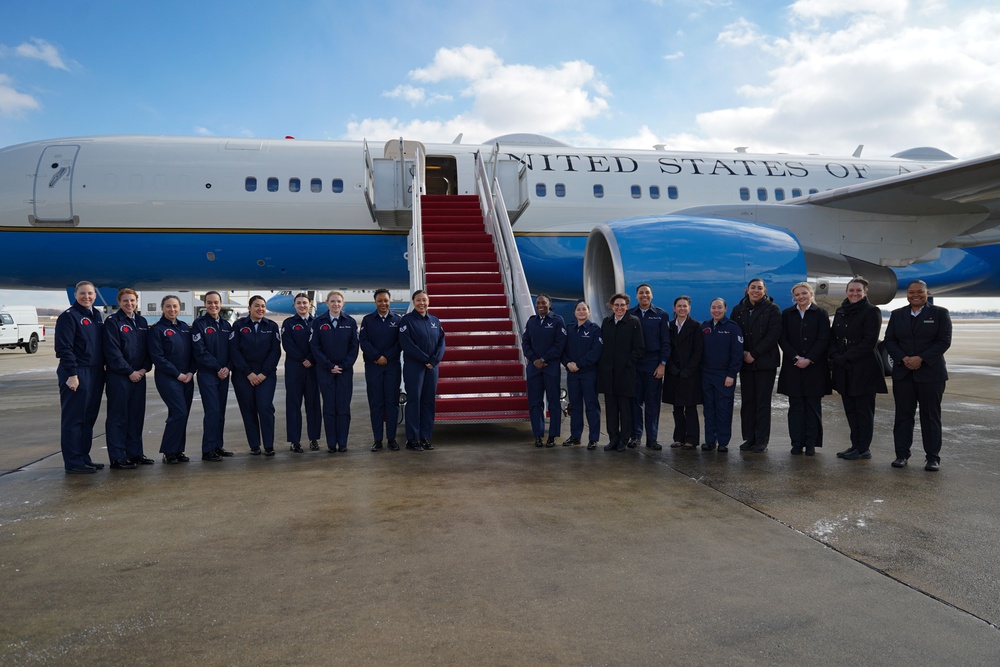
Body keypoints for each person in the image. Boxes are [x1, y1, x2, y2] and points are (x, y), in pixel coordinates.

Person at [883, 280, 952, 471]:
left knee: (930, 416)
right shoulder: (897, 315)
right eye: (912, 292)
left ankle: (932, 458)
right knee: (903, 416)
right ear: (907, 294)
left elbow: (944, 341)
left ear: (927, 292)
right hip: (904, 373)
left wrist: (921, 358)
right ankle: (901, 455)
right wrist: (904, 358)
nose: (916, 295)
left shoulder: (939, 313)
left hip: (931, 373)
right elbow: (890, 340)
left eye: (920, 292)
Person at [829, 277, 887, 461]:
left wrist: (845, 358)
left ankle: (864, 449)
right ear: (846, 292)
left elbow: (869, 341)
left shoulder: (871, 311)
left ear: (865, 293)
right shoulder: (841, 310)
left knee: (864, 410)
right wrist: (835, 356)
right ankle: (855, 445)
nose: (854, 294)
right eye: (851, 290)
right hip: (844, 368)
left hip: (864, 368)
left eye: (858, 291)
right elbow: (833, 338)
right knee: (850, 409)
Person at [55, 280, 106, 474]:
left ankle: (84, 457)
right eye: (83, 293)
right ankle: (73, 462)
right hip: (77, 371)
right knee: (73, 419)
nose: (87, 297)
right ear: (75, 295)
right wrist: (72, 374)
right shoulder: (69, 317)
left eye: (90, 293)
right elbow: (63, 348)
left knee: (88, 418)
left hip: (95, 371)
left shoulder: (96, 315)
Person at [777, 283, 831, 456]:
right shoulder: (787, 314)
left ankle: (811, 444)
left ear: (811, 293)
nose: (801, 297)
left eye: (804, 293)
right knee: (796, 407)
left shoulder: (821, 313)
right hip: (793, 367)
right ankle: (796, 443)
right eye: (797, 295)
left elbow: (824, 338)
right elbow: (782, 338)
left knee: (813, 407)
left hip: (814, 367)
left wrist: (810, 359)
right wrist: (795, 357)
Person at [103, 288, 152, 469]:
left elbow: (147, 349)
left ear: (136, 302)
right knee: (118, 417)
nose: (129, 304)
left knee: (136, 416)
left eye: (132, 301)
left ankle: (135, 454)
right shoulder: (113, 322)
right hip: (119, 377)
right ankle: (117, 457)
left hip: (139, 376)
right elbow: (112, 351)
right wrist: (129, 371)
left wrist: (143, 369)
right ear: (119, 302)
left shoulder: (141, 321)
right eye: (125, 301)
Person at [732, 278, 782, 453]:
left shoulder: (772, 309)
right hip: (745, 363)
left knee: (762, 402)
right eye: (753, 288)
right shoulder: (738, 310)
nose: (756, 291)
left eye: (759, 288)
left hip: (764, 363)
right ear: (747, 290)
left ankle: (761, 440)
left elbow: (773, 335)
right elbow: (734, 334)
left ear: (765, 290)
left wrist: (754, 353)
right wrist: (744, 352)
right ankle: (749, 437)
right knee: (748, 402)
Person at [230, 295, 281, 456]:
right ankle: (254, 445)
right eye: (257, 306)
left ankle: (268, 445)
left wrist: (264, 373)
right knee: (248, 409)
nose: (260, 309)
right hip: (243, 374)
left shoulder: (272, 326)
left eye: (263, 306)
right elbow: (234, 350)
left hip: (266, 374)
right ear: (249, 308)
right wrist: (248, 373)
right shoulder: (238, 326)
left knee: (265, 407)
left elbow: (275, 351)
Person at [310, 290, 359, 453]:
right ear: (327, 303)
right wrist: (328, 365)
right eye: (332, 301)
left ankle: (343, 442)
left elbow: (354, 347)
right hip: (325, 371)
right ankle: (331, 443)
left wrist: (344, 365)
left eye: (338, 301)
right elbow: (315, 347)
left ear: (342, 303)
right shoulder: (318, 322)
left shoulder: (350, 322)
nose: (336, 304)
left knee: (343, 407)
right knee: (329, 407)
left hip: (345, 371)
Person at [148, 294, 196, 464]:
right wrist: (177, 374)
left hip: (187, 377)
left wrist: (191, 372)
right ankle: (169, 451)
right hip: (168, 378)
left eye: (175, 306)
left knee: (183, 414)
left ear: (180, 308)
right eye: (168, 306)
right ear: (162, 308)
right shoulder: (156, 330)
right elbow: (158, 357)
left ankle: (177, 450)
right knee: (179, 412)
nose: (172, 309)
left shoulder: (184, 328)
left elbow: (192, 353)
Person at [399, 290, 446, 451]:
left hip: (432, 367)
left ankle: (425, 436)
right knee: (414, 401)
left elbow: (441, 342)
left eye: (424, 300)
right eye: (418, 300)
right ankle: (412, 439)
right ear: (413, 301)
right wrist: (425, 359)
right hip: (414, 367)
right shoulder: (407, 321)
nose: (421, 303)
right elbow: (406, 344)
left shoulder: (434, 320)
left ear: (428, 302)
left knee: (428, 401)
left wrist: (434, 360)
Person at [597, 293, 645, 452]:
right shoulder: (607, 322)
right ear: (611, 306)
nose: (619, 308)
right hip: (608, 374)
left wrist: (627, 363)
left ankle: (624, 439)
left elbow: (639, 348)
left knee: (625, 409)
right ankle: (613, 439)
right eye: (616, 305)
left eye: (622, 305)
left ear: (627, 306)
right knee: (611, 409)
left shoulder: (633, 322)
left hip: (625, 374)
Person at [191, 291, 235, 462]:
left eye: (216, 302)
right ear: (205, 304)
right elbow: (199, 352)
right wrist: (218, 367)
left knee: (221, 412)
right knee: (212, 411)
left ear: (220, 303)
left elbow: (233, 350)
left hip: (224, 374)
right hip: (208, 374)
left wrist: (228, 368)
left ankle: (217, 445)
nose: (213, 306)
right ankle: (208, 449)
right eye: (209, 302)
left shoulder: (226, 325)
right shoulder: (199, 324)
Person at [359, 289, 403, 452]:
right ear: (375, 302)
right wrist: (377, 357)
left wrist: (387, 357)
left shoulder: (397, 320)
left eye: (385, 300)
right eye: (380, 301)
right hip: (373, 367)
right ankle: (377, 440)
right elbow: (363, 342)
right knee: (376, 403)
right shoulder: (368, 320)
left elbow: (400, 342)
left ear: (390, 301)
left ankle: (391, 438)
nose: (383, 304)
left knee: (392, 403)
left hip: (392, 367)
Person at [522, 294, 567, 447]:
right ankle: (538, 435)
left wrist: (544, 359)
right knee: (535, 402)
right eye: (538, 302)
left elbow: (560, 344)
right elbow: (525, 342)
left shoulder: (557, 321)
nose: (540, 305)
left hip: (551, 367)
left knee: (553, 402)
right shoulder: (532, 322)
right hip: (534, 368)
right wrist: (534, 359)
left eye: (544, 302)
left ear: (550, 304)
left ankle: (552, 435)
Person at [629, 284, 671, 449]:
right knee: (635, 402)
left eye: (647, 293)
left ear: (652, 295)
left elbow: (666, 342)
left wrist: (662, 364)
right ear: (637, 296)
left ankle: (652, 438)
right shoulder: (630, 314)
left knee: (653, 403)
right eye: (641, 293)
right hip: (635, 364)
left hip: (653, 362)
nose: (644, 295)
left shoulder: (661, 315)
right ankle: (636, 436)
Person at [700, 298, 743, 452]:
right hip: (706, 374)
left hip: (725, 375)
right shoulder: (705, 327)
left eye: (719, 307)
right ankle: (710, 440)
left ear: (725, 309)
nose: (716, 310)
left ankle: (723, 441)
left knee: (724, 409)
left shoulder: (733, 328)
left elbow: (737, 354)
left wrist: (732, 374)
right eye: (713, 307)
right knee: (709, 409)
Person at [281, 292, 322, 453]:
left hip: (312, 369)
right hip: (294, 369)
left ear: (310, 304)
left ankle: (314, 439)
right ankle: (294, 441)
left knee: (313, 405)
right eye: (298, 303)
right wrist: (302, 359)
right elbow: (287, 345)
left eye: (304, 303)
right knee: (293, 405)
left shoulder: (317, 322)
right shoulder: (289, 323)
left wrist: (311, 358)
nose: (302, 306)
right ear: (295, 305)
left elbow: (319, 343)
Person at [662, 296, 702, 450]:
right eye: (679, 306)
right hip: (674, 373)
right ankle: (678, 437)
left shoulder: (696, 326)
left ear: (689, 309)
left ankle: (691, 438)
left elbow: (698, 351)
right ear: (674, 308)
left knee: (690, 408)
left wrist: (689, 369)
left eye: (685, 306)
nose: (682, 309)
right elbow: (667, 347)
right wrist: (671, 366)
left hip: (690, 373)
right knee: (677, 407)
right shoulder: (669, 326)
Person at [561, 300, 603, 449]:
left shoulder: (594, 329)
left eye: (584, 309)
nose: (581, 312)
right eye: (578, 309)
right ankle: (575, 436)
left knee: (591, 405)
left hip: (588, 373)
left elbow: (595, 352)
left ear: (589, 312)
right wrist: (568, 363)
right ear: (574, 312)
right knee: (576, 406)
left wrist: (579, 364)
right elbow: (562, 350)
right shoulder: (570, 329)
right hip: (572, 374)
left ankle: (593, 438)